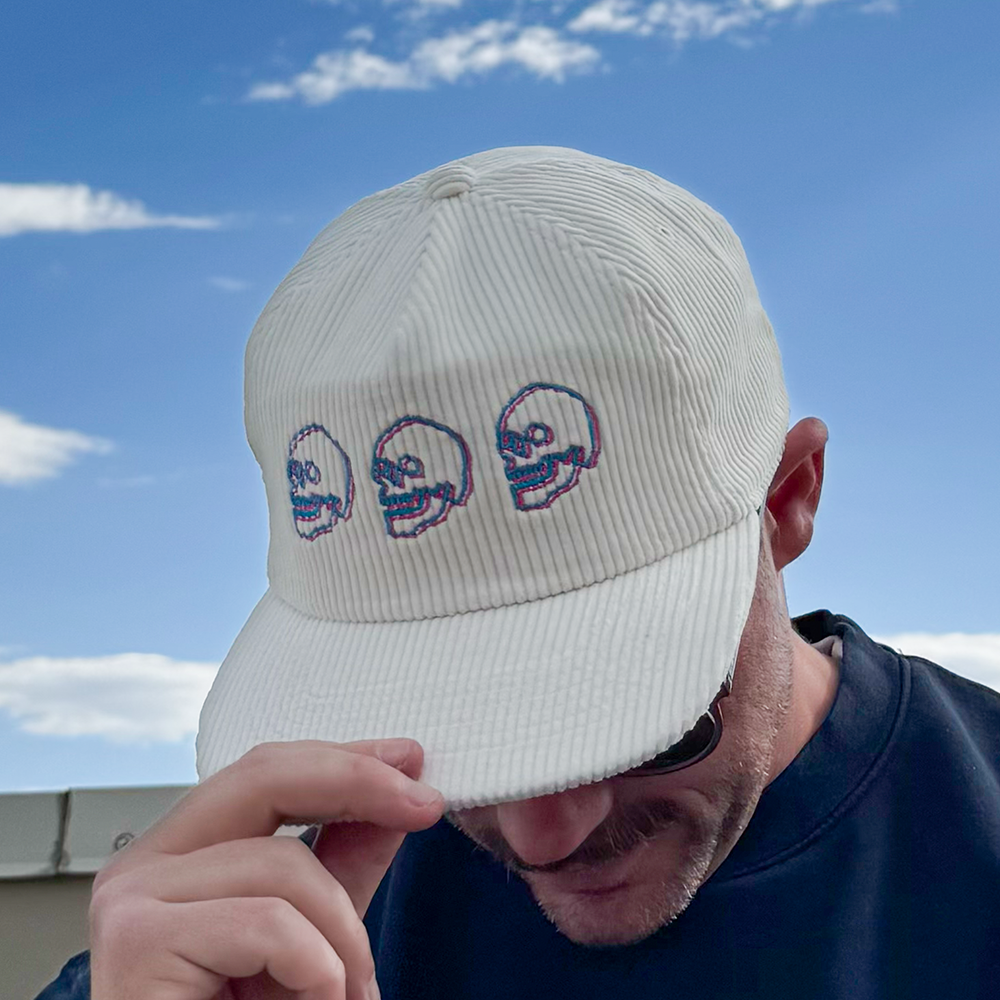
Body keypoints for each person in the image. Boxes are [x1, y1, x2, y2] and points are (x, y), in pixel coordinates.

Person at [40, 148, 1000, 1000]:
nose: (544, 838)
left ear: (788, 499)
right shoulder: (263, 930)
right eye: (459, 732)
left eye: (639, 717)